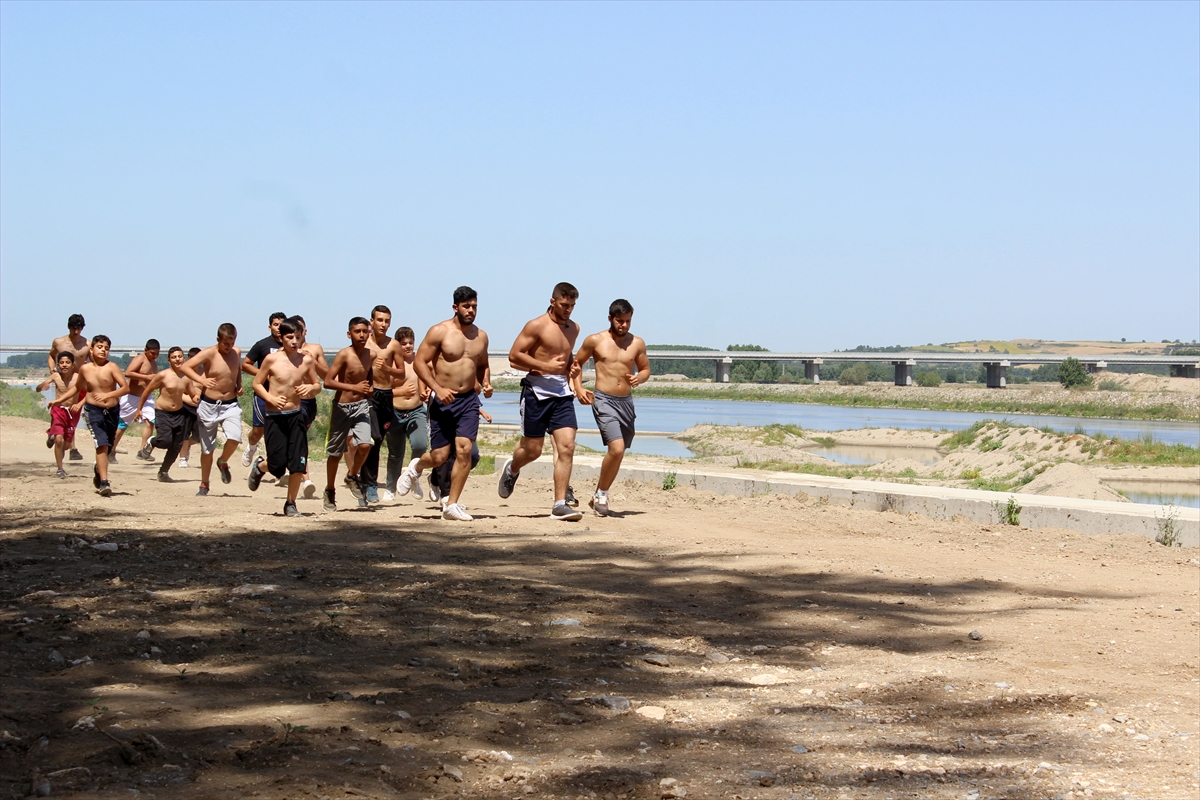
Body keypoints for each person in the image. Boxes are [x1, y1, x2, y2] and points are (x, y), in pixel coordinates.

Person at [396, 286, 492, 522]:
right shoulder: (440, 331)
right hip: (443, 401)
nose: (471, 311)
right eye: (466, 306)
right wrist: (437, 388)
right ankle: (417, 468)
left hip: (468, 400)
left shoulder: (481, 336)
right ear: (455, 307)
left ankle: (451, 504)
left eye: (474, 306)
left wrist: (486, 382)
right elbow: (419, 362)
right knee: (439, 456)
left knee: (465, 450)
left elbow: (482, 364)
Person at [496, 282, 584, 521]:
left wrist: (576, 381)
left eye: (572, 306)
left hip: (562, 395)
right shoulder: (536, 325)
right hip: (536, 391)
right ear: (553, 301)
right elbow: (514, 357)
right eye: (564, 305)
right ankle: (512, 468)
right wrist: (546, 366)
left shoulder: (573, 328)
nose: (568, 310)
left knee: (567, 446)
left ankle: (559, 504)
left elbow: (567, 357)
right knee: (533, 450)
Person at [572, 299, 651, 515]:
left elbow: (645, 369)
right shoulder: (595, 340)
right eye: (620, 321)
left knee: (619, 452)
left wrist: (639, 378)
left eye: (627, 321)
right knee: (615, 448)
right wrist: (578, 389)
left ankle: (597, 494)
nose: (624, 325)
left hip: (625, 402)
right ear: (610, 319)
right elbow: (575, 365)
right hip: (603, 399)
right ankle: (603, 495)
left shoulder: (637, 343)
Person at [247, 319, 322, 517]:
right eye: (290, 337)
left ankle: (291, 504)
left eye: (298, 337)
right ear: (281, 338)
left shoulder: (306, 360)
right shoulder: (272, 360)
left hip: (295, 416)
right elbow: (257, 384)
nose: (294, 341)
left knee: (298, 463)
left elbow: (317, 385)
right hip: (274, 417)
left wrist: (310, 388)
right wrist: (270, 398)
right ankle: (260, 466)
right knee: (278, 465)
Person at [49, 335, 127, 496]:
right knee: (101, 444)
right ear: (91, 350)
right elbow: (76, 389)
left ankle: (99, 469)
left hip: (112, 410)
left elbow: (125, 388)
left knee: (109, 446)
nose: (103, 350)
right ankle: (104, 482)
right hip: (93, 411)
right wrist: (59, 401)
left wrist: (108, 395)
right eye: (100, 347)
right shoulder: (85, 369)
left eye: (106, 348)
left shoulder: (112, 367)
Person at [180, 323, 243, 497]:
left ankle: (223, 461)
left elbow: (237, 368)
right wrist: (202, 381)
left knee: (235, 437)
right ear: (218, 340)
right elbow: (185, 367)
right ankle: (204, 484)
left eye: (231, 343)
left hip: (230, 403)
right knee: (207, 448)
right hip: (209, 405)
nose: (229, 347)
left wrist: (239, 384)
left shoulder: (236, 352)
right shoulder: (209, 353)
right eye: (225, 344)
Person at [321, 317, 376, 512]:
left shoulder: (371, 355)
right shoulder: (344, 355)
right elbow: (327, 382)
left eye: (364, 331)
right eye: (357, 331)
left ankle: (352, 476)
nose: (361, 335)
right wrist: (353, 386)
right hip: (342, 408)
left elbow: (369, 378)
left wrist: (369, 389)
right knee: (335, 453)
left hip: (361, 405)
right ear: (349, 334)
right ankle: (329, 490)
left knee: (365, 444)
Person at [359, 305, 407, 504]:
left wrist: (387, 367)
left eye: (387, 321)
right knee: (372, 437)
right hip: (368, 395)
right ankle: (370, 484)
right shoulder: (363, 342)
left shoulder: (393, 345)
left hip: (386, 396)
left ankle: (363, 481)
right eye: (380, 320)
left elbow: (401, 373)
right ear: (372, 321)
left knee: (377, 442)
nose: (384, 324)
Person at [134, 346, 200, 482]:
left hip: (179, 414)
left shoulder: (187, 377)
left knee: (176, 445)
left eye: (180, 356)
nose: (177, 359)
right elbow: (147, 391)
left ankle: (163, 472)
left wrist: (196, 399)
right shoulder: (163, 375)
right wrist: (139, 409)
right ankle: (152, 441)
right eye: (174, 357)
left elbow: (192, 393)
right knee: (165, 441)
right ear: (169, 360)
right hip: (163, 413)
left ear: (183, 358)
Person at [383, 326, 428, 502]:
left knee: (420, 445)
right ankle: (390, 488)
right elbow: (382, 392)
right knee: (395, 453)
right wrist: (400, 391)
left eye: (411, 343)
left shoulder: (420, 361)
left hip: (416, 410)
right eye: (403, 343)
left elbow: (429, 380)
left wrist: (428, 390)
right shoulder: (392, 364)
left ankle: (413, 477)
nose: (408, 346)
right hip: (395, 412)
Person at [241, 312, 286, 469]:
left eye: (282, 324)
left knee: (278, 432)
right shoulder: (262, 345)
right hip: (263, 394)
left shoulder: (291, 345)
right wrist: (263, 374)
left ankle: (274, 463)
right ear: (270, 327)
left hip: (283, 395)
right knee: (258, 430)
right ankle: (251, 447)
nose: (279, 328)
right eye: (275, 324)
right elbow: (245, 364)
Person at [291, 315, 329, 499]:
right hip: (287, 402)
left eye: (300, 331)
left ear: (305, 331)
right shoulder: (283, 352)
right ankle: (304, 478)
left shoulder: (314, 349)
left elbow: (327, 376)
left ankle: (301, 476)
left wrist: (311, 361)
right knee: (295, 439)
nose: (297, 336)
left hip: (307, 402)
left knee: (298, 437)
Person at [428, 406, 491, 509]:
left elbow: (470, 395)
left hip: (463, 417)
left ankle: (435, 478)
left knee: (473, 456)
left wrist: (479, 410)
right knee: (445, 456)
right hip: (443, 415)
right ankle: (447, 498)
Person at [48, 313, 90, 461]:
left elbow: (94, 361)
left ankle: (68, 444)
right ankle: (67, 443)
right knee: (62, 408)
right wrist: (53, 370)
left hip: (79, 382)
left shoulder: (87, 344)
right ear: (69, 327)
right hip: (64, 380)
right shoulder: (59, 342)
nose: (76, 332)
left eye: (79, 328)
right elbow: (52, 355)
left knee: (74, 412)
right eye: (73, 328)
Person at [37, 352, 83, 479]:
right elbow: (38, 388)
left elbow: (90, 392)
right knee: (59, 440)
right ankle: (60, 468)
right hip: (58, 411)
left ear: (73, 365)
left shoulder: (78, 378)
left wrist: (79, 404)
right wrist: (43, 386)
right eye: (61, 363)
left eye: (67, 362)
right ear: (57, 364)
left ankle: (52, 435)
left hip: (71, 413)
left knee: (66, 445)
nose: (64, 365)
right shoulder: (55, 376)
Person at [113, 339, 160, 462]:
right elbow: (128, 373)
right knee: (122, 425)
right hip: (131, 397)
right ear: (146, 350)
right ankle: (111, 450)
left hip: (146, 397)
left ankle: (143, 450)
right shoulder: (140, 358)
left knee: (151, 420)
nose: (155, 356)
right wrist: (145, 377)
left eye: (157, 354)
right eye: (152, 353)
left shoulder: (154, 363)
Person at [175, 347, 203, 469]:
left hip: (200, 407)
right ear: (189, 359)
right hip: (185, 406)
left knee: (198, 436)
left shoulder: (205, 372)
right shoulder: (182, 372)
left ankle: (187, 446)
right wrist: (189, 400)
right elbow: (177, 391)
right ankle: (182, 458)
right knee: (184, 433)